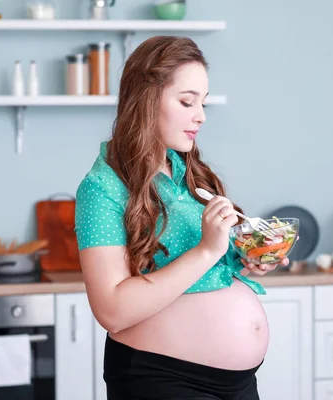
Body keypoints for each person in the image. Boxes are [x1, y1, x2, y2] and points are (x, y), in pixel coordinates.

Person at [74, 35, 289, 400]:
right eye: (187, 101)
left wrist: (245, 257)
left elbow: (199, 267)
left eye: (202, 102)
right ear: (145, 99)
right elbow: (111, 311)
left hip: (238, 384)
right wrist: (206, 251)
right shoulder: (102, 188)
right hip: (163, 380)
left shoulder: (190, 175)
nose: (201, 115)